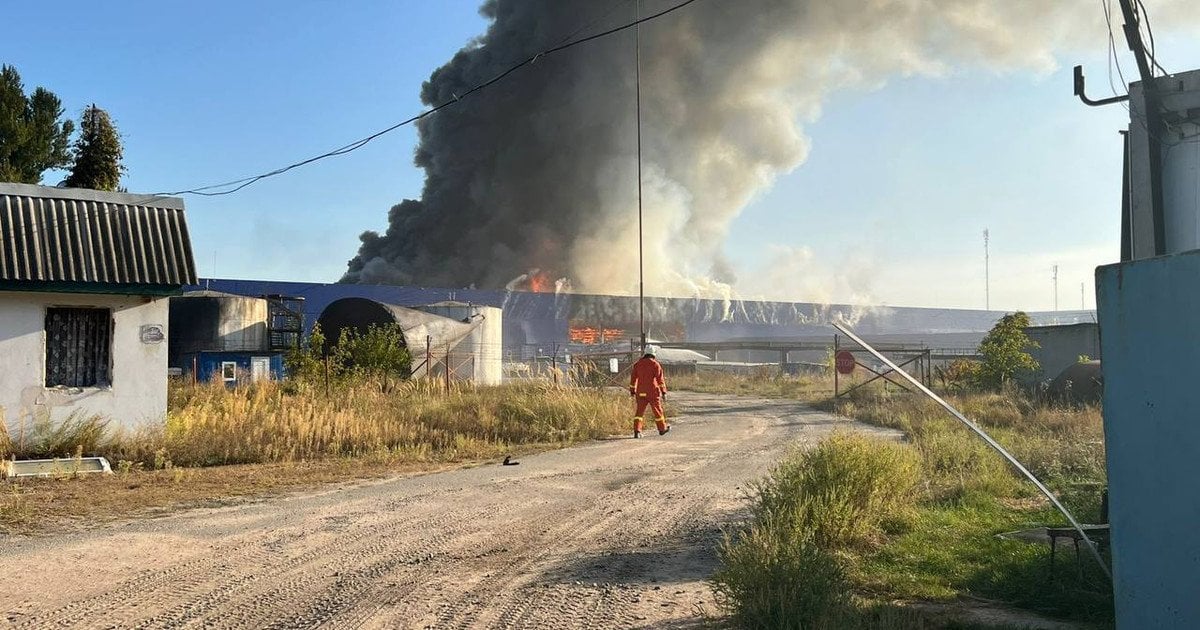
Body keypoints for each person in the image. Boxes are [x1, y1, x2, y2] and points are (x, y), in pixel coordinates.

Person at [629, 345, 669, 438]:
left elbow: (633, 379)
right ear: (653, 354)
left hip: (640, 392)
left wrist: (632, 391)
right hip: (652, 392)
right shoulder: (655, 364)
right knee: (657, 411)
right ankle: (662, 429)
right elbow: (660, 380)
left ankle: (637, 431)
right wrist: (663, 392)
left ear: (645, 353)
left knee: (639, 413)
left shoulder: (637, 364)